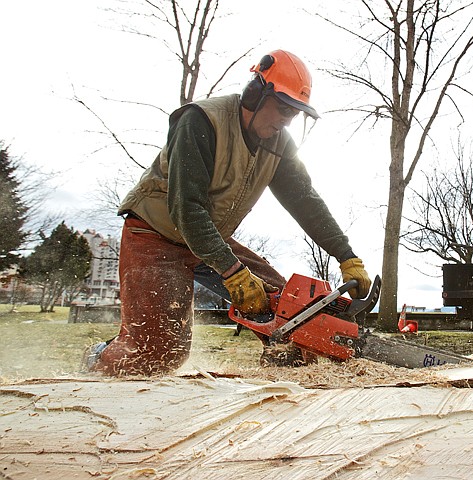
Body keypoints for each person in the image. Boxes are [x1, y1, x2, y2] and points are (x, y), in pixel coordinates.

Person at [84, 50, 371, 376]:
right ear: (257, 92)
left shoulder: (278, 143)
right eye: (283, 108)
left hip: (209, 240)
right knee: (159, 354)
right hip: (157, 235)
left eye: (294, 113)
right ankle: (98, 358)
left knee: (291, 312)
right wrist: (232, 272)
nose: (286, 120)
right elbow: (187, 210)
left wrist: (346, 256)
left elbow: (305, 200)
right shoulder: (200, 121)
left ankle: (285, 370)